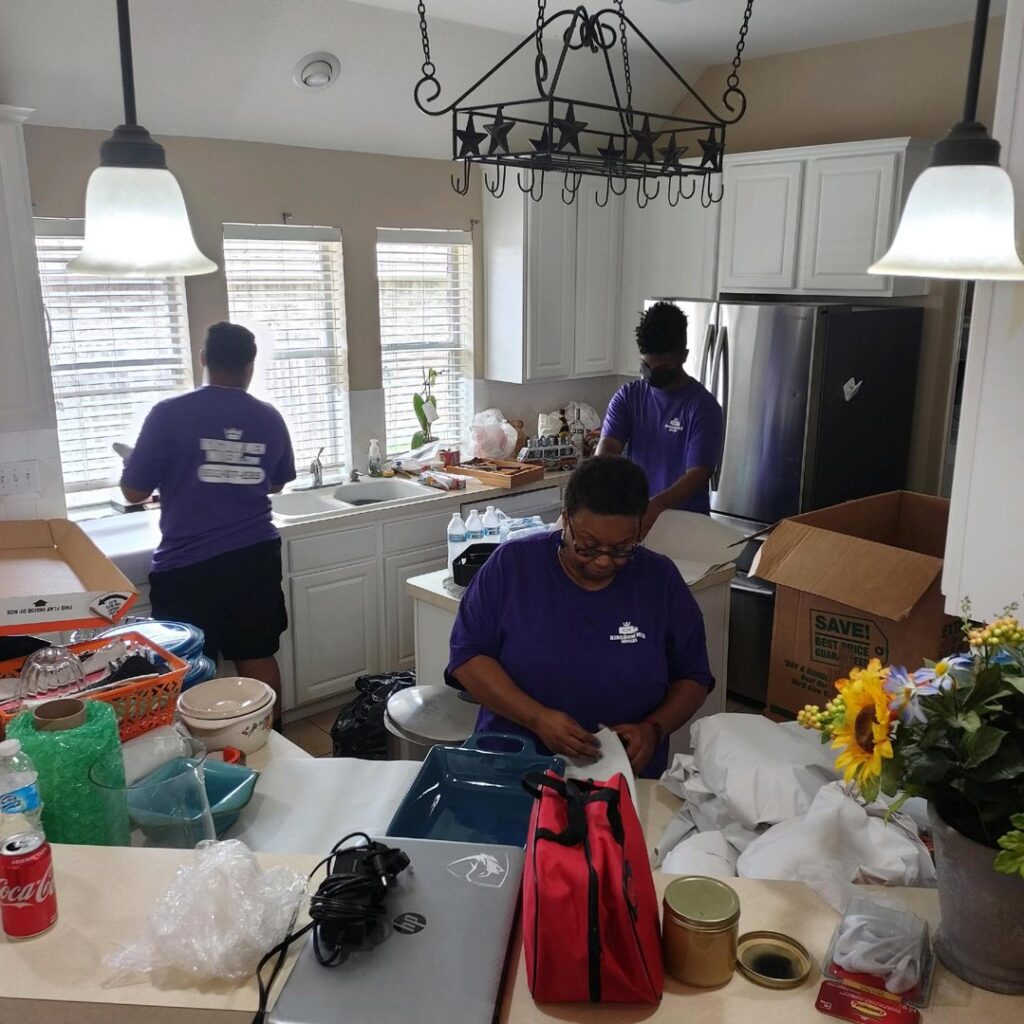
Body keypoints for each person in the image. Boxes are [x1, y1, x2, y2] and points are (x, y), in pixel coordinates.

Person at [446, 457, 713, 778]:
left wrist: (652, 730)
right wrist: (537, 718)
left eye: (622, 548)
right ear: (565, 520)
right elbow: (467, 657)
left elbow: (694, 676)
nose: (603, 561)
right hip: (514, 769)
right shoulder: (513, 567)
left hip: (622, 777)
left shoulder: (660, 580)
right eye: (587, 546)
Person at [120, 322, 295, 716]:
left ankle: (201, 759)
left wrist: (140, 461)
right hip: (254, 557)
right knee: (257, 656)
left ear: (203, 360)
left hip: (188, 566)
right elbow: (276, 484)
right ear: (250, 366)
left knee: (187, 667)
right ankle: (273, 747)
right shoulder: (269, 417)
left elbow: (134, 492)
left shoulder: (168, 414)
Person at [596, 301, 724, 536]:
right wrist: (597, 487)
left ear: (683, 357)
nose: (652, 375)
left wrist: (656, 506)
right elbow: (608, 448)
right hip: (638, 519)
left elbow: (698, 474)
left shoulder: (703, 408)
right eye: (646, 366)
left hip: (687, 528)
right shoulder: (628, 397)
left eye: (662, 368)